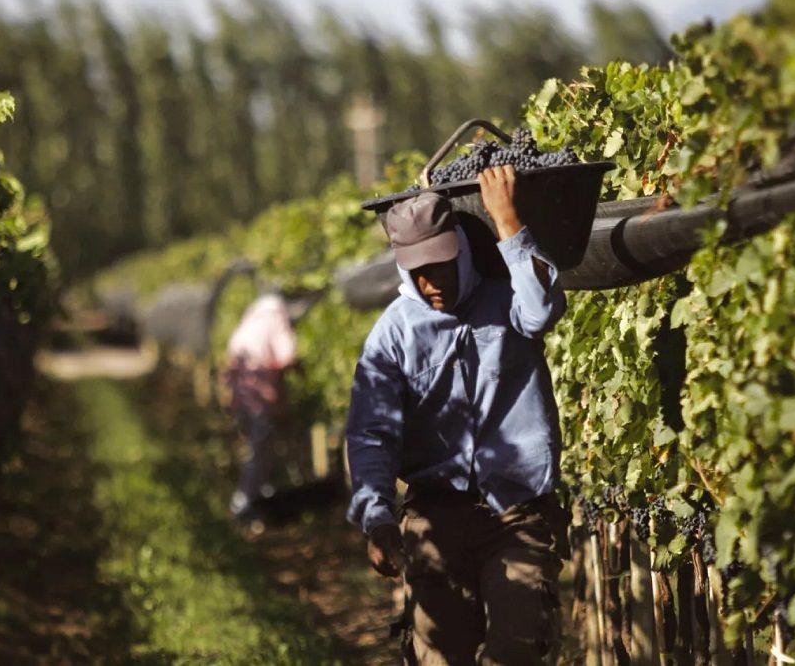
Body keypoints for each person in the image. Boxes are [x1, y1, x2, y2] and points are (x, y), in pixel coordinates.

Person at [345, 165, 568, 664]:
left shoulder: (504, 297)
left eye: (441, 265)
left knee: (518, 645)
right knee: (441, 653)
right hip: (434, 515)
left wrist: (509, 226)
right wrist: (377, 515)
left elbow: (543, 311)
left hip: (517, 510)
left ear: (462, 250)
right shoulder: (394, 333)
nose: (432, 282)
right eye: (418, 271)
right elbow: (371, 431)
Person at [223, 292, 298, 530]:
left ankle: (255, 501)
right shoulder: (275, 318)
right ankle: (245, 503)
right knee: (261, 451)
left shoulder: (248, 324)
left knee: (257, 450)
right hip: (261, 400)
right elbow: (286, 355)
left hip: (243, 399)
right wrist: (298, 369)